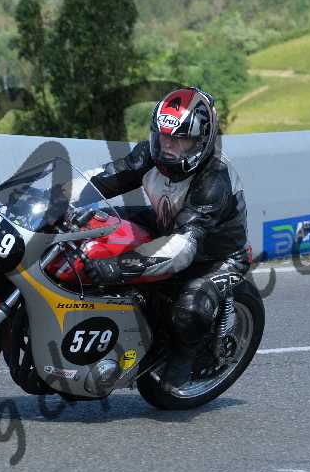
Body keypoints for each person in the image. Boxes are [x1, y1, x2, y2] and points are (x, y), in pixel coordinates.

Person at [81, 87, 250, 393]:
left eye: (179, 139)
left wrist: (122, 266)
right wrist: (55, 197)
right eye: (162, 136)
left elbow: (183, 248)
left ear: (202, 141)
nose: (168, 145)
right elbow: (104, 178)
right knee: (94, 223)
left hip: (213, 257)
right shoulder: (151, 153)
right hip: (166, 224)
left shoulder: (214, 180)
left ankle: (186, 355)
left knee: (190, 307)